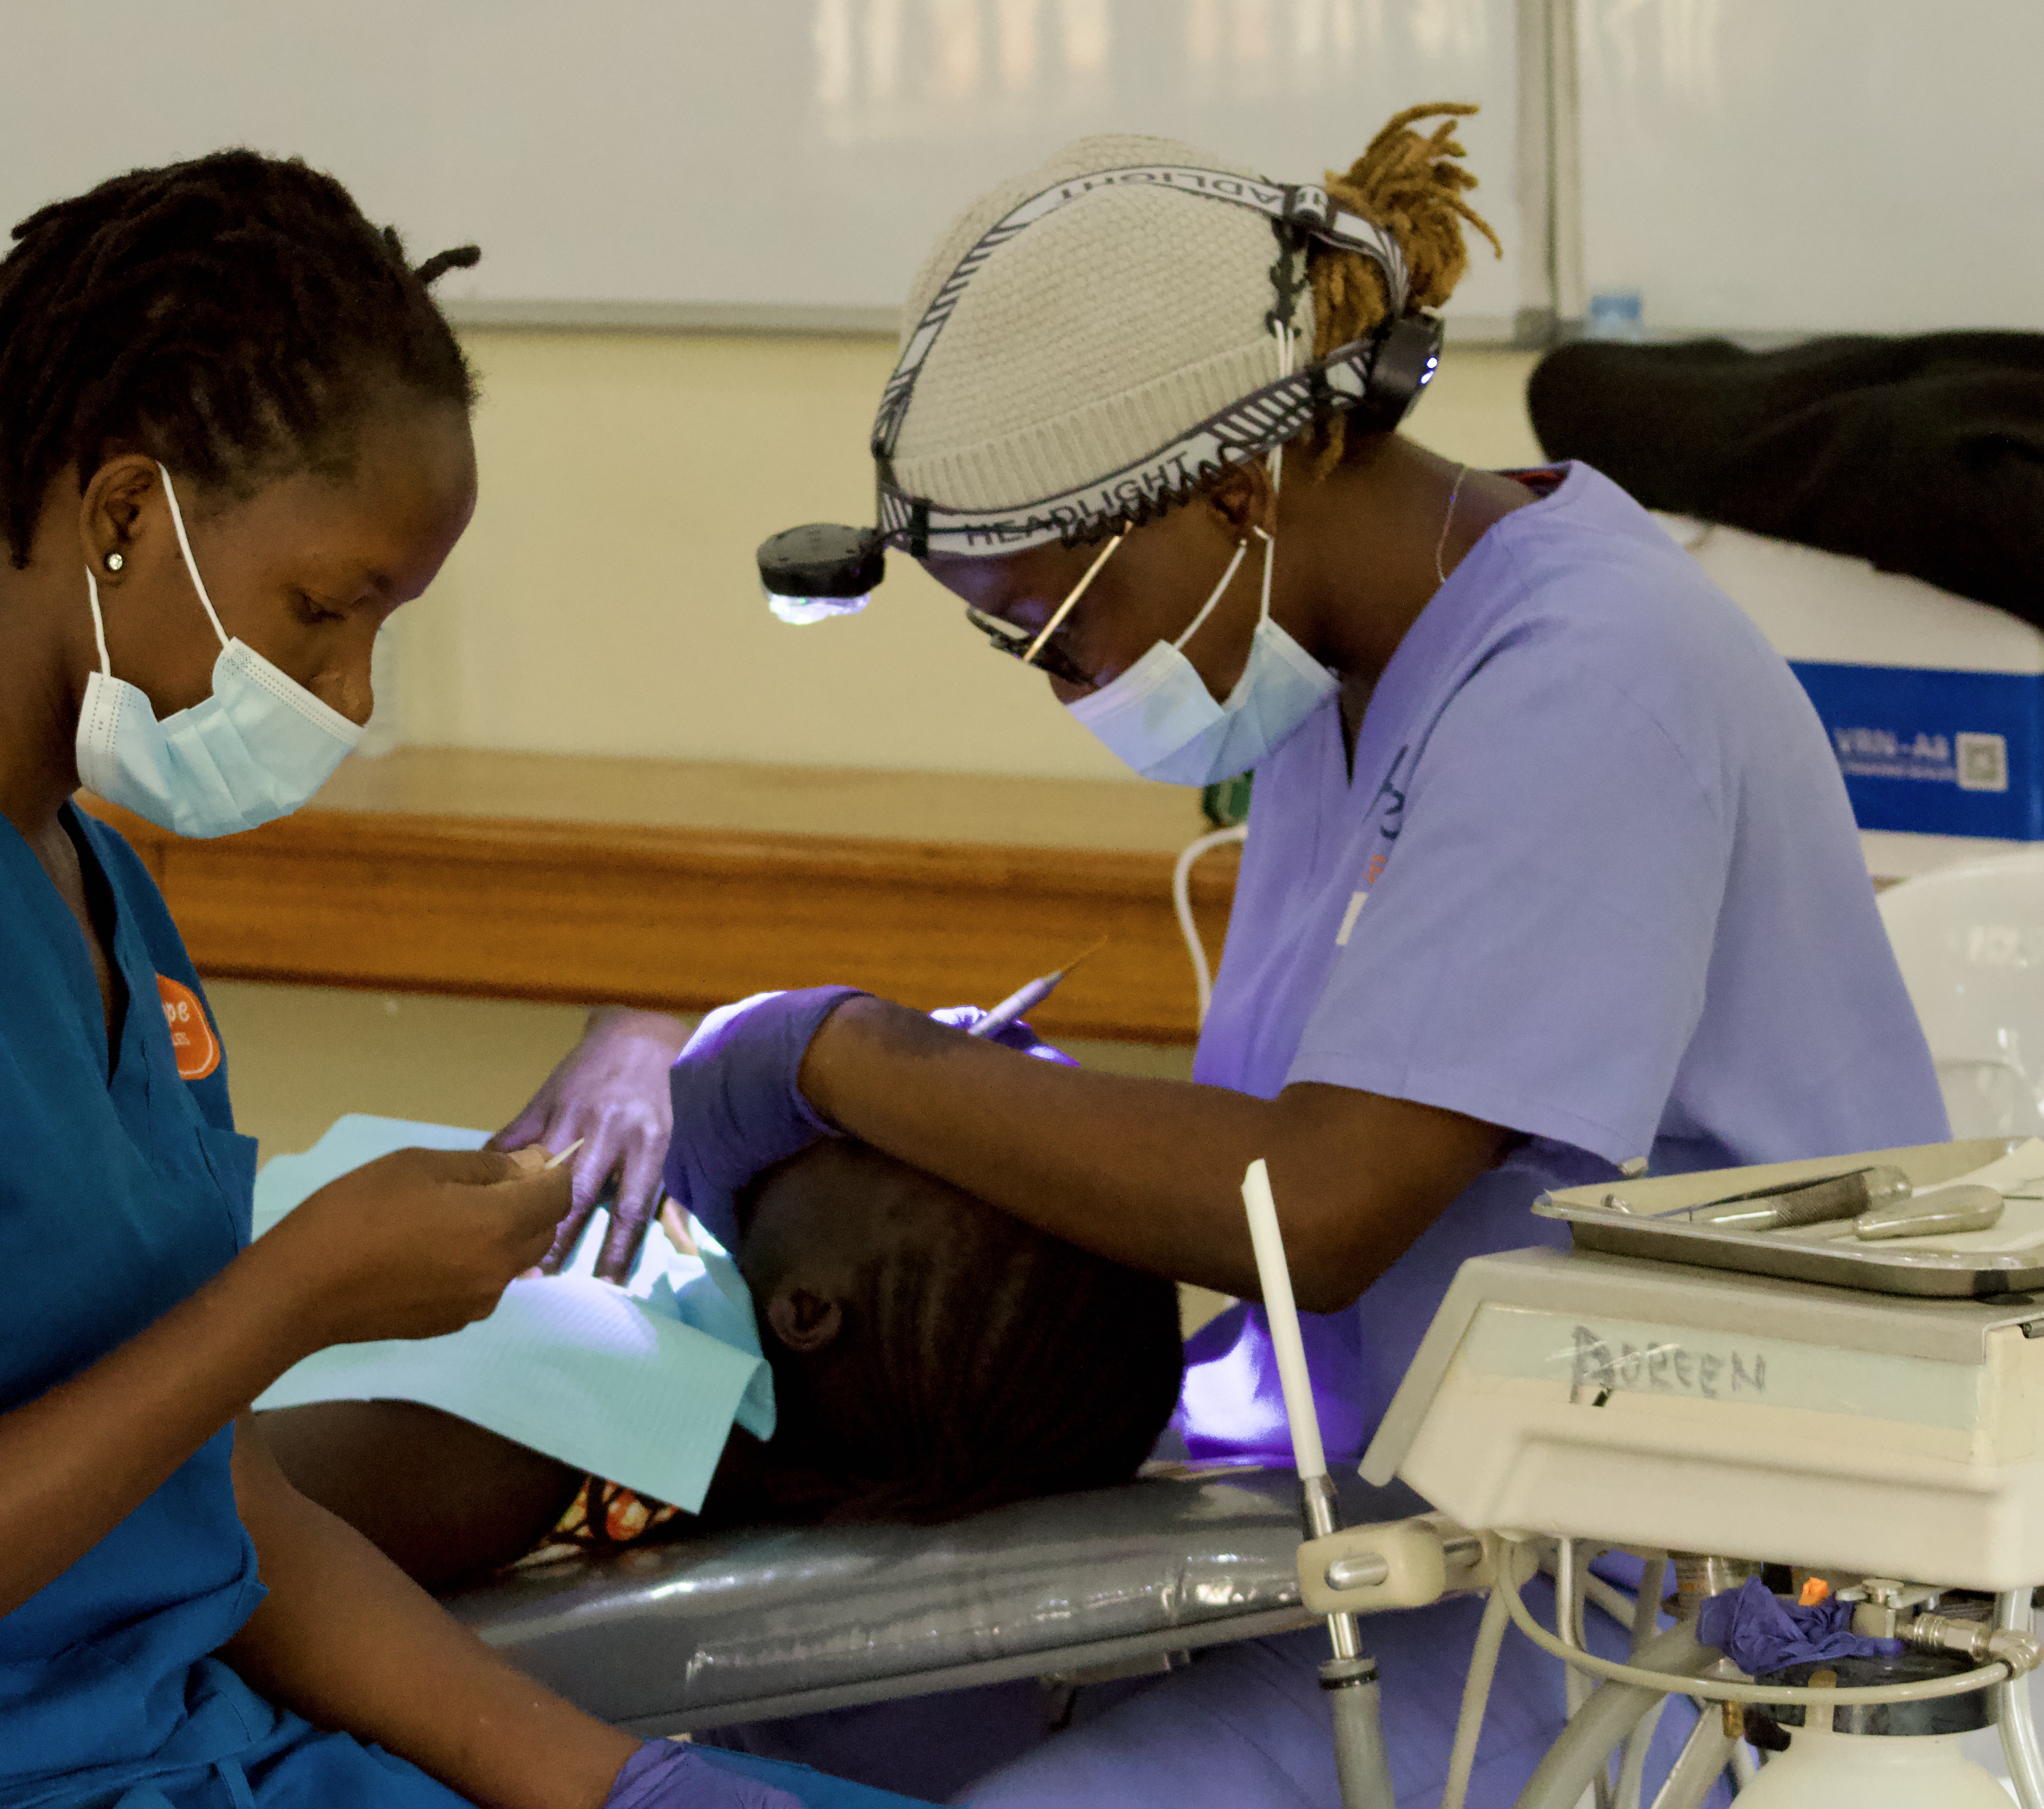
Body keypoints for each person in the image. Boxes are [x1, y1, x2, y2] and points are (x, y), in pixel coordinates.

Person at [503, 108, 1946, 1806]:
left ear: (1237, 491)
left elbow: (1319, 1206)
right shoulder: (1339, 681)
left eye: (1054, 627)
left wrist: (837, 1052)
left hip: (1659, 1609)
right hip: (1402, 1519)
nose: (1061, 682)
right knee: (849, 1727)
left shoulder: (1592, 680)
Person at [0, 150, 921, 1809]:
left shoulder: (97, 896)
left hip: (150, 1752)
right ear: (120, 516)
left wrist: (613, 1783)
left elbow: (212, 1507)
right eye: (325, 608)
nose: (350, 692)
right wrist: (295, 1292)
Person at [261, 1131, 1185, 1590]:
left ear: (807, 1312)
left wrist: (308, 1271)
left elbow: (197, 1510)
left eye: (893, 1147)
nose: (842, 1124)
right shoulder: (688, 1310)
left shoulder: (534, 1431)